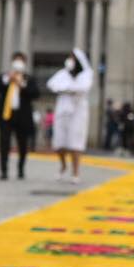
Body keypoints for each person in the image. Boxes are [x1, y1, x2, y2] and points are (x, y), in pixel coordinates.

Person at [45, 48, 94, 184]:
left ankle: (75, 171)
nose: (70, 61)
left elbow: (83, 88)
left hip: (78, 112)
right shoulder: (63, 73)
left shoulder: (87, 74)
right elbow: (51, 84)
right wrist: (69, 88)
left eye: (72, 58)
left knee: (75, 142)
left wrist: (65, 88)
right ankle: (63, 165)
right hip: (62, 110)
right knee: (59, 143)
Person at [0, 52, 39, 180]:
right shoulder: (5, 77)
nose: (18, 63)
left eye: (20, 60)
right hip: (6, 115)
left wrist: (21, 84)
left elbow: (35, 94)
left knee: (22, 144)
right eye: (16, 60)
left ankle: (21, 169)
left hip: (22, 116)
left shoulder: (28, 78)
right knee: (4, 143)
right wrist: (7, 80)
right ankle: (4, 171)